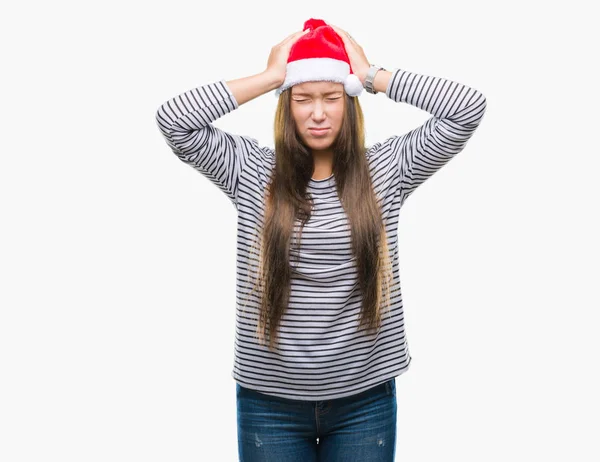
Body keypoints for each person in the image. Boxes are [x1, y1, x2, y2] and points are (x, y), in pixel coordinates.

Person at [155, 17, 486, 462]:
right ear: (285, 104)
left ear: (349, 102)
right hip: (268, 403)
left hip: (364, 401)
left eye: (331, 97)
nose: (317, 113)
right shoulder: (251, 170)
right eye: (302, 98)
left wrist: (372, 76)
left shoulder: (386, 170)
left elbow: (468, 108)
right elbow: (174, 121)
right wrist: (272, 75)